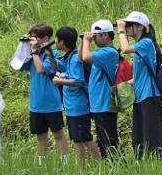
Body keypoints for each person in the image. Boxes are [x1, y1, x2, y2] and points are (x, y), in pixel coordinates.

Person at [116, 11, 162, 159]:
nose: (126, 28)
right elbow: (138, 76)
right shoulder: (140, 46)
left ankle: (160, 163)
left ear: (140, 27)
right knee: (138, 136)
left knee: (153, 136)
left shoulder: (146, 43)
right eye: (126, 25)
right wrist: (123, 85)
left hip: (149, 95)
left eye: (129, 25)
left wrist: (120, 30)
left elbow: (125, 49)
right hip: (140, 96)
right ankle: (143, 164)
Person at [19, 25, 69, 159]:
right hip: (36, 103)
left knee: (58, 134)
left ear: (46, 38)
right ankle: (42, 163)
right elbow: (17, 65)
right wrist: (23, 47)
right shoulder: (32, 54)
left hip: (51, 103)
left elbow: (41, 70)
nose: (32, 40)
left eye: (35, 37)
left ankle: (65, 162)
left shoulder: (52, 54)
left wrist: (35, 52)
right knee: (40, 136)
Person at [53, 25, 98, 164]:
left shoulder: (73, 59)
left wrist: (59, 81)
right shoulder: (69, 57)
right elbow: (56, 67)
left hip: (79, 106)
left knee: (86, 139)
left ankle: (101, 165)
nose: (54, 41)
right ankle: (81, 169)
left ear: (62, 42)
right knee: (77, 140)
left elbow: (79, 81)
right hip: (72, 107)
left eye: (56, 39)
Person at [81, 19, 123, 159]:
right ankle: (109, 165)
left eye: (95, 36)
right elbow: (81, 57)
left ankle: (116, 165)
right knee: (103, 140)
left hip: (105, 103)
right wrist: (83, 42)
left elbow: (86, 57)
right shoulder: (102, 53)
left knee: (109, 140)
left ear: (105, 35)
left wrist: (86, 41)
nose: (93, 39)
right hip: (99, 103)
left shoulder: (108, 52)